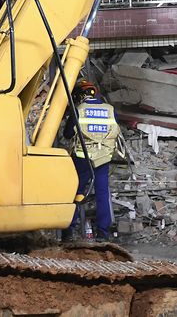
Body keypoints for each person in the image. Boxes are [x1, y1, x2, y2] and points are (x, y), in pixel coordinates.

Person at [68, 80, 120, 241]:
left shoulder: (79, 110)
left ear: (79, 95)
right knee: (102, 193)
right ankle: (103, 233)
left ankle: (68, 231)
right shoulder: (110, 110)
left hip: (83, 158)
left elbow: (68, 134)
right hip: (103, 157)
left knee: (76, 192)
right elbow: (116, 131)